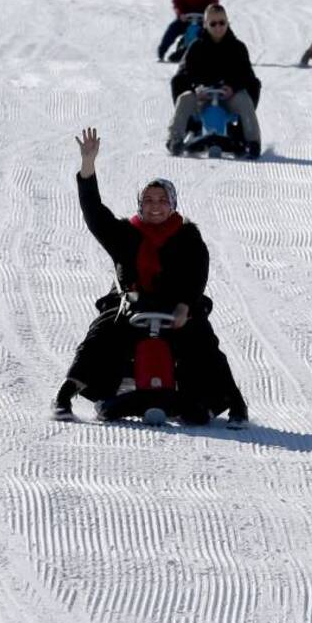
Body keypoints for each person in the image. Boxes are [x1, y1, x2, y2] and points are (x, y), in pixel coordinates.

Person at [52, 128, 248, 424]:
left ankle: (233, 405)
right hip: (131, 303)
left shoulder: (188, 236)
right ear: (140, 204)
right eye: (148, 200)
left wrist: (184, 305)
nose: (155, 206)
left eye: (161, 200)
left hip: (178, 306)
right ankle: (66, 395)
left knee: (203, 342)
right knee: (101, 336)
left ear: (172, 204)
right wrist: (88, 165)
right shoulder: (124, 234)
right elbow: (93, 212)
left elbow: (197, 274)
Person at [168, 4, 262, 158]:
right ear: (205, 24)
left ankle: (252, 141)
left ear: (227, 22)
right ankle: (176, 139)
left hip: (229, 98)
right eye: (213, 24)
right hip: (202, 98)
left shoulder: (237, 47)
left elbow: (247, 75)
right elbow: (184, 74)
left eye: (222, 23)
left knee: (245, 98)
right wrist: (196, 88)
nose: (218, 27)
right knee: (184, 98)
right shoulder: (196, 47)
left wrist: (233, 87)